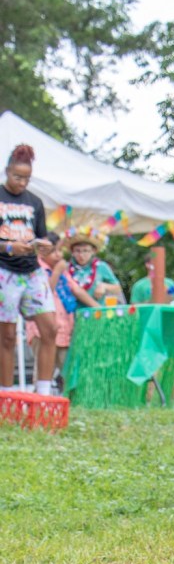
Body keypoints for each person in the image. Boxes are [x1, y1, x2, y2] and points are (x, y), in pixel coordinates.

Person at [0, 143, 57, 395]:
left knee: (51, 329)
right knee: (8, 336)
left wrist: (44, 245)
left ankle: (43, 393)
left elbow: (42, 236)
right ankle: (6, 394)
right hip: (5, 271)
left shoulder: (35, 202)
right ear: (6, 171)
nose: (22, 183)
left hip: (32, 271)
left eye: (27, 178)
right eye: (17, 176)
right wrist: (10, 248)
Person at [24, 232, 99, 390]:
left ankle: (70, 401)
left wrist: (99, 308)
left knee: (68, 368)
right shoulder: (37, 269)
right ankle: (39, 402)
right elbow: (44, 293)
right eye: (54, 251)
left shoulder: (62, 271)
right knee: (44, 369)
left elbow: (77, 290)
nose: (59, 255)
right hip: (42, 330)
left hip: (64, 329)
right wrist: (56, 272)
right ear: (41, 252)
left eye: (59, 250)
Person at [66, 234, 125, 307]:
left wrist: (104, 286)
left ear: (93, 251)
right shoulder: (66, 268)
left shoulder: (101, 266)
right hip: (73, 313)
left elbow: (118, 288)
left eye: (86, 251)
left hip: (96, 313)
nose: (81, 255)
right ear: (72, 252)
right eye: (77, 251)